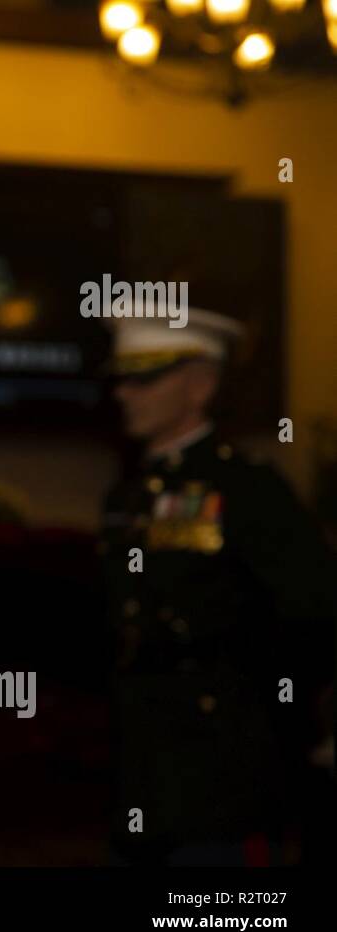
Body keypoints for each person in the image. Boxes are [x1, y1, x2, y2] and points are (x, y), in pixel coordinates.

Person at [101, 308, 336, 865]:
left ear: (201, 384)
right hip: (139, 767)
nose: (126, 394)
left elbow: (316, 614)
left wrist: (277, 720)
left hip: (228, 770)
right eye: (121, 379)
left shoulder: (248, 489)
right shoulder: (127, 496)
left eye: (146, 377)